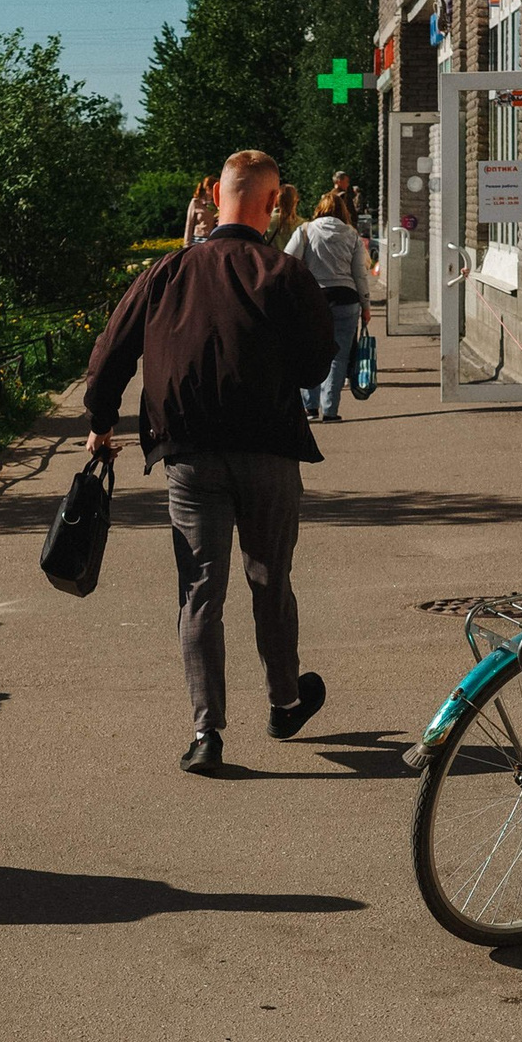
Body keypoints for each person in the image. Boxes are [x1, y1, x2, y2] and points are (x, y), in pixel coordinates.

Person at [84, 149, 337, 775]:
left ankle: (206, 733)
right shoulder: (283, 273)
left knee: (200, 589)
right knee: (270, 579)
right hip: (270, 450)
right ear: (273, 203)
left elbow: (111, 351)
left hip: (189, 454)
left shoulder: (166, 272)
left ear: (217, 197)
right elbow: (314, 366)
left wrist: (100, 422)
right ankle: (284, 701)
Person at [286, 194, 371, 421]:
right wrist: (366, 305)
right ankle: (331, 410)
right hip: (346, 298)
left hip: (313, 298)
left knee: (310, 351)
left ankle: (310, 407)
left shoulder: (305, 231)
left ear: (319, 209)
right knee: (339, 356)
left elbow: (287, 261)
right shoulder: (352, 235)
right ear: (343, 211)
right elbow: (360, 274)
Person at [181, 177, 218, 247]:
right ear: (208, 188)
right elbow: (189, 223)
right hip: (198, 238)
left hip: (212, 239)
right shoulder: (196, 202)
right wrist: (186, 244)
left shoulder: (217, 204)